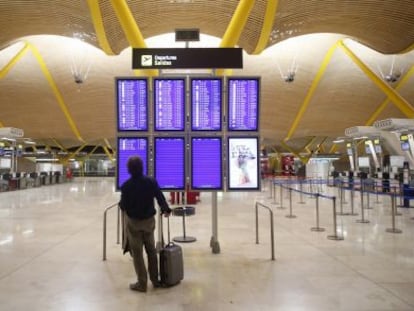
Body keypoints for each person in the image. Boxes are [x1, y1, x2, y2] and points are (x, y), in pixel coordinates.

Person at [119, 156, 171, 292]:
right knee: (151, 251)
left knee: (137, 254)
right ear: (142, 167)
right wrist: (166, 209)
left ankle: (142, 284)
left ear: (129, 170)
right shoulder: (151, 182)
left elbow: (123, 205)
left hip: (134, 224)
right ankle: (155, 280)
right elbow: (160, 197)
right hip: (149, 222)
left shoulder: (126, 186)